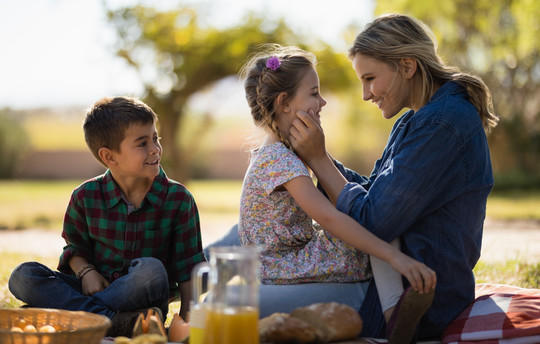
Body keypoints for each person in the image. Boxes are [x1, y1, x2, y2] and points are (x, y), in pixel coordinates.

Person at [288, 14, 498, 341]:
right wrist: (317, 158)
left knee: (248, 305)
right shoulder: (415, 120)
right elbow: (375, 193)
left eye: (370, 78)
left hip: (416, 296)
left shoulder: (441, 124)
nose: (365, 94)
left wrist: (318, 159)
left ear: (408, 66)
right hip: (382, 276)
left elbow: (374, 220)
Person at [237, 44, 436, 343]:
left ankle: (392, 308)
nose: (323, 101)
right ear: (284, 103)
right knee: (378, 217)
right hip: (283, 266)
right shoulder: (279, 160)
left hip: (280, 262)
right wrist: (395, 258)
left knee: (371, 212)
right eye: (314, 93)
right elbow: (329, 217)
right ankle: (393, 314)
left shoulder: (276, 153)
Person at [9, 96, 206, 337]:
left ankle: (72, 315)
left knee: (151, 270)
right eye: (142, 143)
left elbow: (190, 267)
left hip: (144, 294)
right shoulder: (85, 196)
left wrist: (187, 321)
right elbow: (74, 248)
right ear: (110, 157)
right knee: (23, 275)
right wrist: (86, 272)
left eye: (155, 138)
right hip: (94, 290)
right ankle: (115, 321)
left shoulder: (178, 198)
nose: (155, 149)